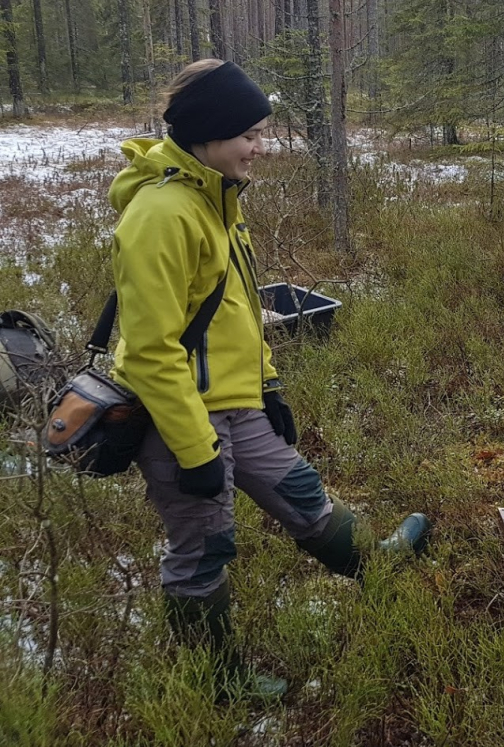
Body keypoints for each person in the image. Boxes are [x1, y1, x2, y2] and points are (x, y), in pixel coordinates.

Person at [109, 59, 430, 698]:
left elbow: (237, 313)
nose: (261, 148)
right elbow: (150, 352)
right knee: (203, 546)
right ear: (209, 132)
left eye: (262, 133)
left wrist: (269, 385)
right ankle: (216, 682)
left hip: (236, 402)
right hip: (182, 419)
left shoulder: (218, 199)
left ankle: (375, 561)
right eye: (250, 135)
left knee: (301, 492)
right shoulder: (162, 215)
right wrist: (195, 448)